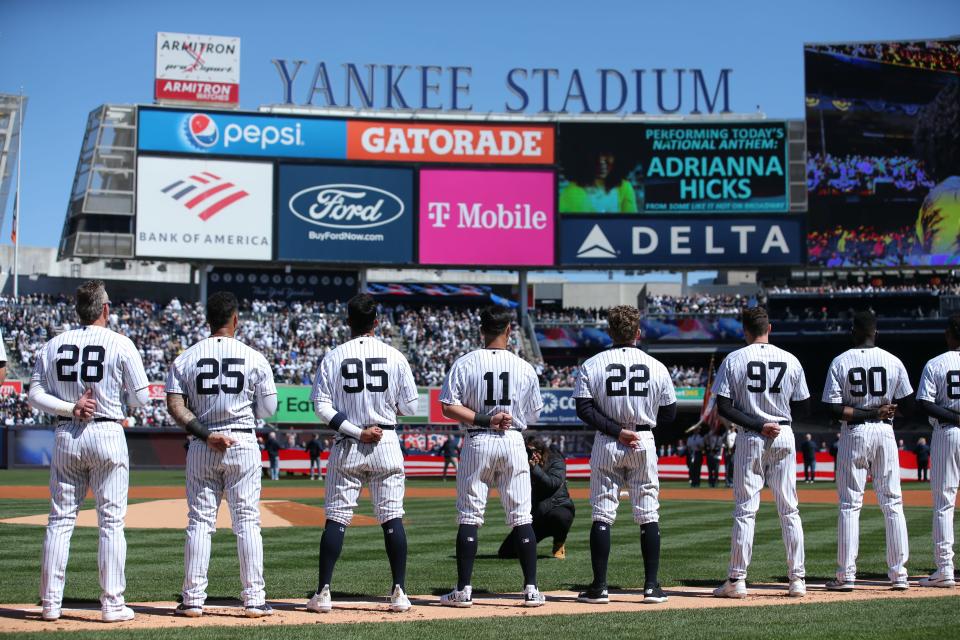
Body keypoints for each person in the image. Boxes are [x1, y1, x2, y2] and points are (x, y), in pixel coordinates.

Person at [27, 280, 149, 622]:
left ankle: (50, 604)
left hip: (68, 432)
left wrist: (70, 407)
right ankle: (112, 604)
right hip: (108, 430)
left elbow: (34, 395)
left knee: (60, 520)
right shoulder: (120, 343)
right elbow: (141, 398)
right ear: (105, 309)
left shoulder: (54, 344)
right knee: (111, 521)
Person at [165, 291, 278, 618]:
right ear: (235, 320)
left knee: (200, 523)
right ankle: (254, 599)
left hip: (203, 442)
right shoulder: (254, 356)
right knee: (247, 522)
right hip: (242, 440)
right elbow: (268, 409)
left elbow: (175, 406)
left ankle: (192, 600)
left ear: (207, 320)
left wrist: (206, 433)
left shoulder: (186, 357)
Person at [306, 294, 419, 613]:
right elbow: (410, 406)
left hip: (349, 442)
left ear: (348, 322)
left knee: (337, 517)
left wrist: (357, 430)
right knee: (392, 516)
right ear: (377, 322)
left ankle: (323, 593)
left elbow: (321, 407)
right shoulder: (394, 355)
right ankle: (399, 592)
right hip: (386, 439)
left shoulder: (333, 356)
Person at [438, 305, 546, 608]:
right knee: (521, 515)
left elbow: (447, 406)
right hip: (513, 440)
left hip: (478, 439)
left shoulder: (466, 362)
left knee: (469, 515)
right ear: (509, 330)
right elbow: (533, 414)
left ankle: (463, 590)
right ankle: (531, 590)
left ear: (481, 330)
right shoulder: (524, 366)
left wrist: (485, 418)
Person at [573, 305, 676, 604]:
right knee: (648, 513)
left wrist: (618, 431)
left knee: (602, 513)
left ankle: (600, 587)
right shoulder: (656, 365)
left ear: (609, 332)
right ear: (638, 333)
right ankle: (651, 587)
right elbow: (669, 414)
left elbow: (584, 409)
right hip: (643, 438)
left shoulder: (592, 364)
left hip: (608, 440)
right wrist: (642, 429)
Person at [712, 307, 809, 599]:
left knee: (745, 509)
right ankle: (797, 580)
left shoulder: (735, 358)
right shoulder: (790, 359)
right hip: (783, 433)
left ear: (745, 330)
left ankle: (737, 580)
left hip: (752, 436)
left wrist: (758, 422)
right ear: (770, 327)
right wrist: (778, 420)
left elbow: (724, 407)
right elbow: (804, 406)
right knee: (789, 508)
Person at [822, 311, 913, 592]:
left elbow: (834, 410)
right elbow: (909, 403)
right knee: (893, 503)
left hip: (855, 433)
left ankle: (846, 575)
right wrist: (884, 410)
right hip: (885, 431)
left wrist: (866, 412)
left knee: (850, 505)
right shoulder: (893, 360)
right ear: (876, 333)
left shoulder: (841, 361)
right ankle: (899, 575)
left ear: (853, 332)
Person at [916, 314, 960, 588]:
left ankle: (945, 569)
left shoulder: (936, 363)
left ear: (948, 335)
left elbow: (925, 403)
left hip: (948, 432)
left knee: (944, 503)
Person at [497, 436, 575, 561]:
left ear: (540, 451)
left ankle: (559, 542)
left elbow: (552, 484)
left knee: (560, 517)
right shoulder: (521, 464)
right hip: (536, 515)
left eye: (531, 451)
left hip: (558, 507)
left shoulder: (556, 461)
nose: (529, 454)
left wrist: (534, 468)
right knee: (506, 552)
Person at [559, 150, 638, 213]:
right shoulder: (571, 192)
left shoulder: (624, 188)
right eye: (594, 154)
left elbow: (631, 227)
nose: (601, 161)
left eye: (607, 153)